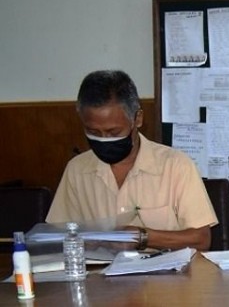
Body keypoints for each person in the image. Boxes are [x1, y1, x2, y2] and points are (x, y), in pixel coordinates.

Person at [47, 70, 217, 251]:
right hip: (100, 275)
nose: (104, 139)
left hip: (166, 276)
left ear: (138, 119)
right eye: (94, 132)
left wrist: (143, 237)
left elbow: (201, 240)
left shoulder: (176, 165)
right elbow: (56, 237)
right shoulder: (77, 170)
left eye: (114, 132)